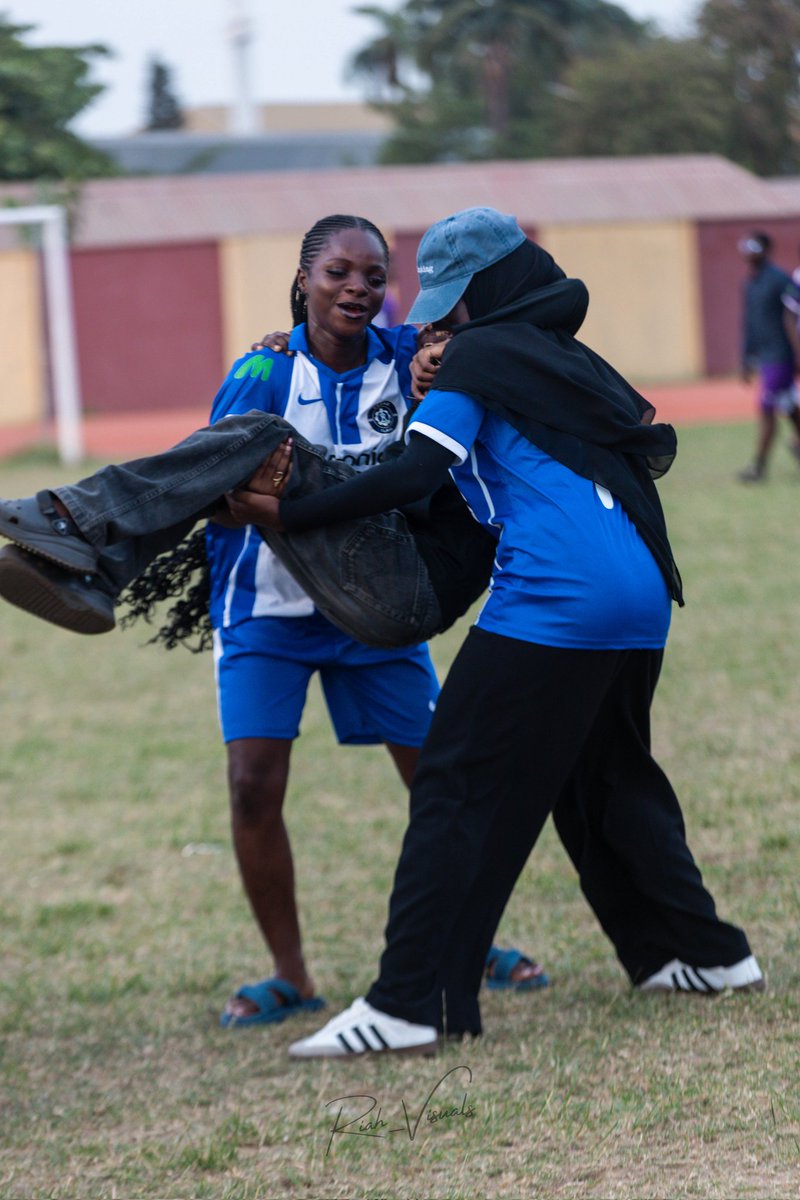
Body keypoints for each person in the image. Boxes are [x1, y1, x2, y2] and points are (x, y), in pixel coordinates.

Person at [219, 206, 764, 1058]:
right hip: (643, 592)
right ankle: (701, 955)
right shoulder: (560, 353)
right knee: (603, 776)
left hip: (559, 599)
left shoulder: (475, 357)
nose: (437, 319)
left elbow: (414, 472)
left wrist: (290, 510)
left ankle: (412, 1002)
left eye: (451, 300)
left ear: (487, 290)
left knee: (455, 785)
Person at [0, 213, 546, 1028]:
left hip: (371, 604)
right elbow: (208, 499)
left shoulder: (410, 362)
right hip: (268, 608)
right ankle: (289, 975)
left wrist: (440, 355)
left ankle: (472, 940)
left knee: (437, 782)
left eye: (372, 276)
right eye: (337, 273)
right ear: (303, 281)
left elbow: (463, 380)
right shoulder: (262, 370)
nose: (357, 288)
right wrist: (263, 505)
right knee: (253, 790)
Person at [737, 232, 800, 482]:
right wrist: (746, 357)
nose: (746, 250)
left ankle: (758, 468)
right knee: (789, 406)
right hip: (765, 356)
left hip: (781, 355)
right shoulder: (749, 283)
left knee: (767, 408)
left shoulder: (780, 279)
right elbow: (749, 323)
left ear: (765, 249)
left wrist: (796, 352)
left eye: (753, 245)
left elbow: (792, 317)